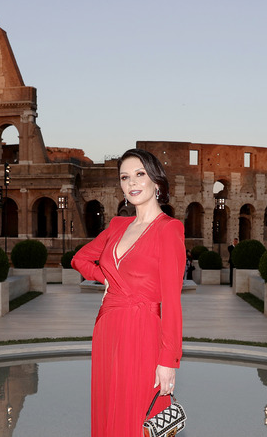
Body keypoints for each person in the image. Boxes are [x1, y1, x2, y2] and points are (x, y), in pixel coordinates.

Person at [72, 148, 184, 437]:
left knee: (138, 417)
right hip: (107, 329)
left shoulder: (169, 230)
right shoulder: (117, 225)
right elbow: (80, 259)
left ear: (156, 181)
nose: (132, 183)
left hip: (144, 332)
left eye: (139, 174)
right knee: (108, 410)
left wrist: (168, 361)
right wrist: (104, 277)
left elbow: (172, 301)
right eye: (125, 177)